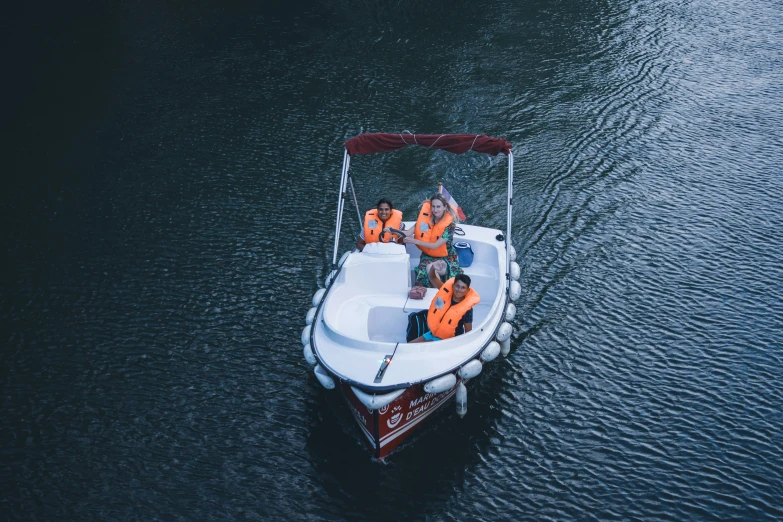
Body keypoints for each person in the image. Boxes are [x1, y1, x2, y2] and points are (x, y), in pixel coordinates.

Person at [402, 193, 462, 287]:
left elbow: (436, 245)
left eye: (438, 207)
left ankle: (442, 293)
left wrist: (415, 241)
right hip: (428, 255)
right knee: (427, 270)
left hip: (446, 256)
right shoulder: (425, 218)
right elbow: (408, 233)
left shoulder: (450, 225)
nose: (435, 210)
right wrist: (391, 230)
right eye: (433, 206)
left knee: (437, 269)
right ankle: (438, 293)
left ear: (445, 207)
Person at [411, 265, 479, 342]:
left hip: (448, 341)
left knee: (418, 349)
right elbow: (432, 277)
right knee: (410, 345)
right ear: (453, 286)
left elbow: (468, 333)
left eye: (463, 287)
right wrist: (433, 267)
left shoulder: (467, 309)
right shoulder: (445, 292)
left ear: (467, 290)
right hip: (434, 333)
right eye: (457, 286)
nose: (459, 290)